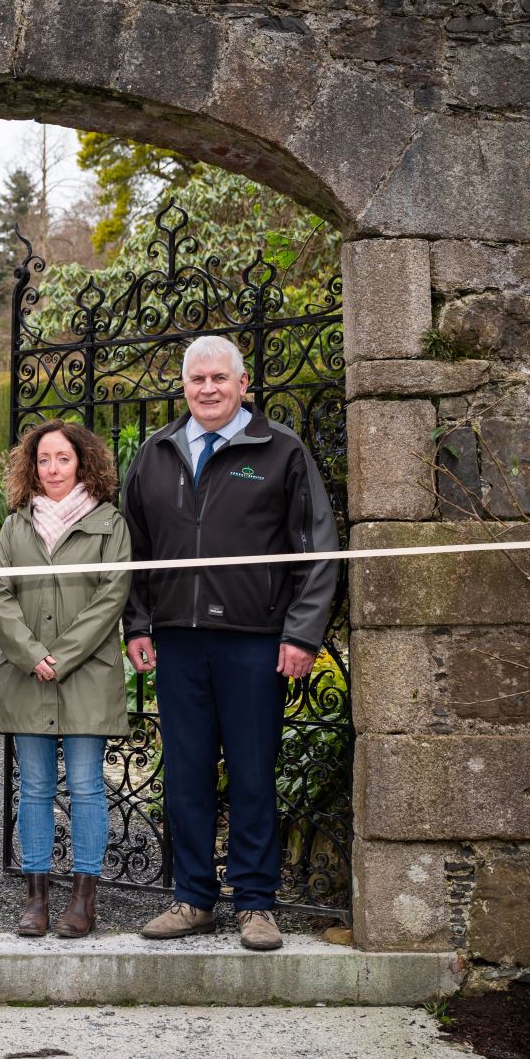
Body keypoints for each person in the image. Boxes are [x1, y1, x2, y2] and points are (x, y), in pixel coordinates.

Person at [121, 335, 338, 951]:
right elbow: (133, 552)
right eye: (197, 379)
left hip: (255, 643)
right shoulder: (156, 454)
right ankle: (192, 898)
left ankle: (256, 904)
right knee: (185, 773)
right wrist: (137, 624)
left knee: (251, 773)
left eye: (220, 378)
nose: (208, 389)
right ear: (184, 386)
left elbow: (318, 550)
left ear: (244, 385)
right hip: (178, 642)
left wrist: (301, 633)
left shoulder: (281, 452)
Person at [0, 420, 130, 939]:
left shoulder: (109, 523)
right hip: (29, 676)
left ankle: (83, 900)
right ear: (32, 466)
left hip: (87, 673)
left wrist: (61, 656)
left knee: (89, 787)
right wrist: (31, 654)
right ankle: (36, 899)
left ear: (82, 462)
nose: (52, 469)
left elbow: (113, 594)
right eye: (43, 460)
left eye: (62, 459)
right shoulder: (15, 524)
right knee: (36, 788)